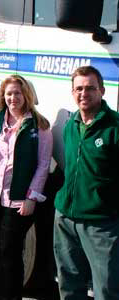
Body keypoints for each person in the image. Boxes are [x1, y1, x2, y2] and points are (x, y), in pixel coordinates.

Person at [0, 75, 53, 300]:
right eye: (8, 93)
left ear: (26, 95)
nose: (13, 98)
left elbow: (43, 165)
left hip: (17, 201)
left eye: (17, 93)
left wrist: (32, 197)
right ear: (3, 97)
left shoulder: (40, 125)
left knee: (10, 256)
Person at [53, 66, 119, 300]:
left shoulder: (114, 127)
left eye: (90, 88)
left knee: (107, 290)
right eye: (78, 88)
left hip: (101, 223)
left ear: (102, 90)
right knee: (69, 284)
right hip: (65, 218)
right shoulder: (71, 124)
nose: (84, 93)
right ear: (72, 93)